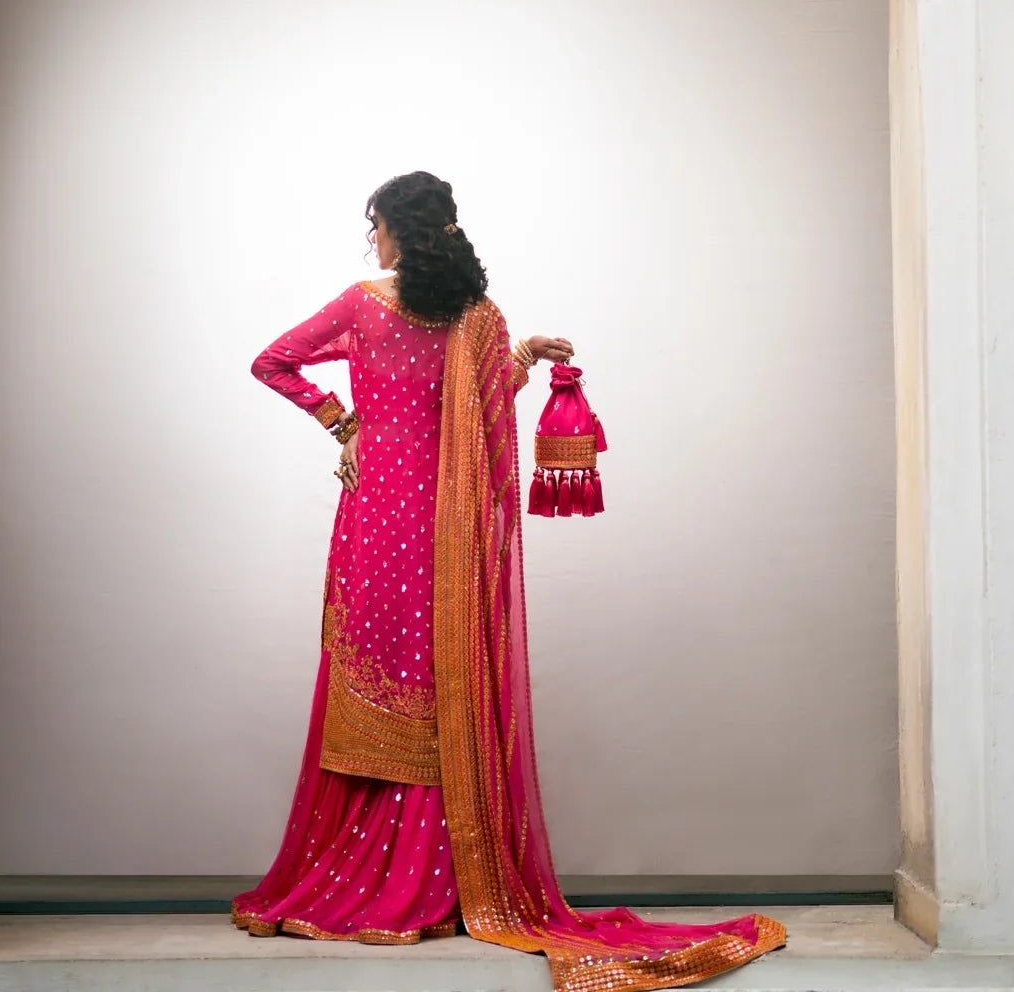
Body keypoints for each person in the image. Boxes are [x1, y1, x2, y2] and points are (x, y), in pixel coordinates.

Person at [231, 171, 786, 988]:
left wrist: (343, 424)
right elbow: (485, 405)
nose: (371, 240)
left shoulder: (363, 306)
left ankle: (375, 872)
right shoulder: (477, 316)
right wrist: (519, 357)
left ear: (400, 229)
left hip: (380, 514)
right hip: (449, 527)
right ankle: (444, 879)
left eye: (376, 225)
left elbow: (272, 361)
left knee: (384, 668)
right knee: (441, 671)